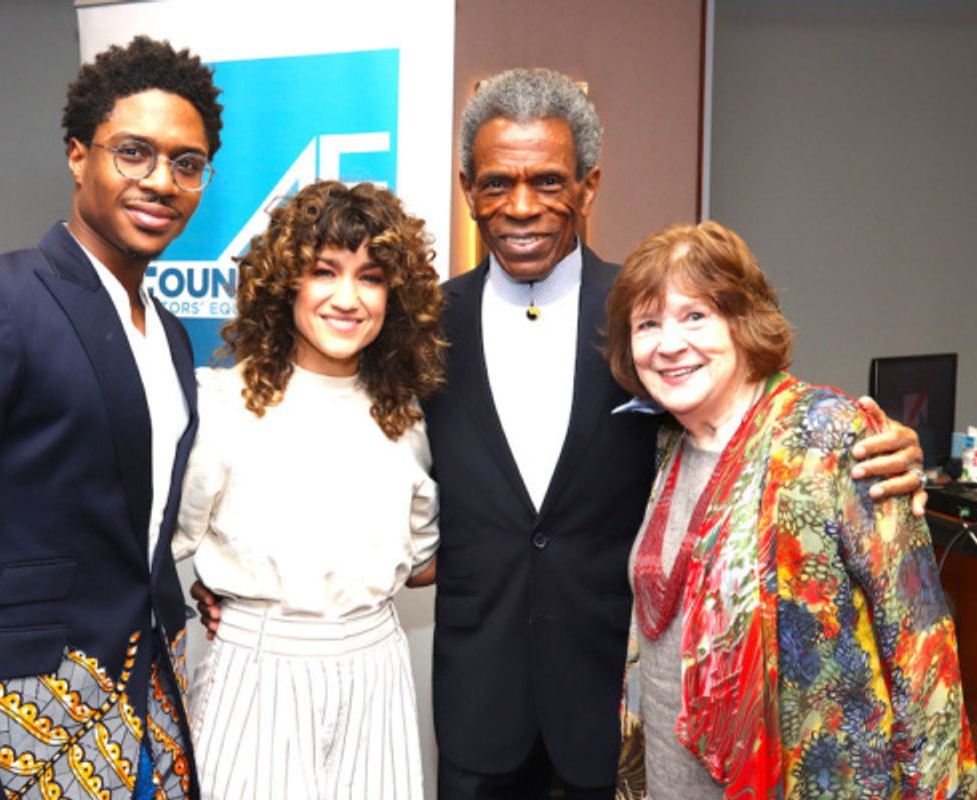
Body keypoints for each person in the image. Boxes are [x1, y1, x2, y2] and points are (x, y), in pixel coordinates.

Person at [196, 68, 925, 799]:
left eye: (547, 182)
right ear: (467, 187)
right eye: (496, 184)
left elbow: (742, 416)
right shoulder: (419, 327)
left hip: (619, 702)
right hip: (478, 705)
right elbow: (329, 437)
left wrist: (869, 444)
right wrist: (230, 575)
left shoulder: (645, 320)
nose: (521, 207)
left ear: (588, 186)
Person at [0, 37, 221, 799]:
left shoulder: (172, 331)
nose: (162, 181)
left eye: (186, 164)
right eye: (134, 153)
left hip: (146, 710)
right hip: (20, 723)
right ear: (76, 156)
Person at [606, 220, 976, 799]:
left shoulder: (831, 435)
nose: (668, 343)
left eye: (695, 316)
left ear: (742, 320)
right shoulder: (668, 445)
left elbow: (920, 645)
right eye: (647, 325)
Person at [173, 180, 445, 799]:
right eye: (325, 271)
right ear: (285, 282)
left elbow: (424, 560)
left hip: (376, 670)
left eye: (370, 277)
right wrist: (212, 588)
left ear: (394, 297)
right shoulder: (221, 406)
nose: (347, 298)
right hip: (257, 671)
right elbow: (161, 547)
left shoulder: (404, 416)